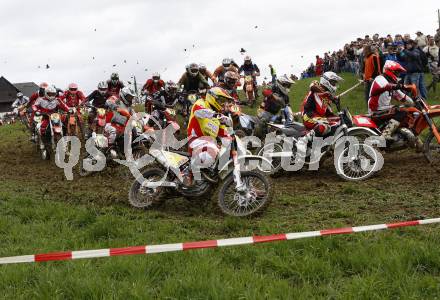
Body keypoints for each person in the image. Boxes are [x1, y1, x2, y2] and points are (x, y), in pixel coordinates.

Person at [186, 87, 235, 185]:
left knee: (226, 154)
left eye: (224, 102)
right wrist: (217, 116)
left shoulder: (218, 117)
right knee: (212, 149)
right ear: (213, 97)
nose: (223, 104)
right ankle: (188, 171)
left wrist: (234, 140)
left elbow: (224, 134)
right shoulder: (201, 103)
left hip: (209, 143)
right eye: (221, 100)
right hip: (195, 139)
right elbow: (198, 112)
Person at [368, 60, 418, 146]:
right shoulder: (380, 79)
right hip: (376, 110)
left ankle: (408, 139)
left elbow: (401, 96)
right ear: (390, 71)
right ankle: (385, 134)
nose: (398, 75)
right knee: (401, 111)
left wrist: (414, 102)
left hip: (383, 109)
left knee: (408, 111)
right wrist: (405, 86)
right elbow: (386, 86)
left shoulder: (390, 83)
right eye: (397, 72)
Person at [300, 72, 343, 147]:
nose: (334, 85)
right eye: (333, 82)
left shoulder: (326, 99)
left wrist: (341, 117)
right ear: (326, 81)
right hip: (308, 115)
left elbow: (329, 115)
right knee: (324, 126)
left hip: (318, 118)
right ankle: (303, 142)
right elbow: (312, 86)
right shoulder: (316, 84)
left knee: (338, 123)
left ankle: (325, 146)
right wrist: (328, 95)